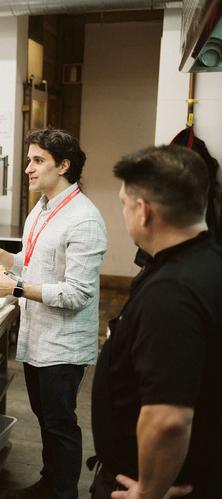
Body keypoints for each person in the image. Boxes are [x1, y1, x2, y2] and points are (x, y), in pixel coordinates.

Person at [0, 128, 107, 499]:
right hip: (38, 336)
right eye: (29, 160)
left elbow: (77, 293)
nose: (28, 168)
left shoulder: (84, 219)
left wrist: (13, 288)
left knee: (61, 424)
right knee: (46, 419)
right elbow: (34, 264)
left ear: (64, 165)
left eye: (37, 160)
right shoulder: (42, 209)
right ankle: (50, 482)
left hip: (63, 343)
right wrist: (4, 256)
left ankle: (63, 493)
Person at [90, 145, 222, 499]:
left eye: (123, 204)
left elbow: (168, 420)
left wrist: (148, 491)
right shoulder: (207, 260)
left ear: (143, 211)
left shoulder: (172, 293)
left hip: (150, 484)